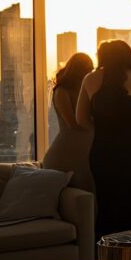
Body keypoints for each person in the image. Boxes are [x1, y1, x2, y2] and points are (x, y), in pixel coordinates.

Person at [76, 40, 131, 237]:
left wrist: (102, 128)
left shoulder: (89, 79)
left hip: (103, 150)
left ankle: (103, 251)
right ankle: (128, 248)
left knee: (107, 203)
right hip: (130, 150)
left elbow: (80, 118)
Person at [43, 53, 95, 192]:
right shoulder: (62, 92)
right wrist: (97, 126)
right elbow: (72, 123)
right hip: (66, 154)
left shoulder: (85, 90)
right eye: (87, 69)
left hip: (83, 152)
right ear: (78, 70)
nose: (90, 73)